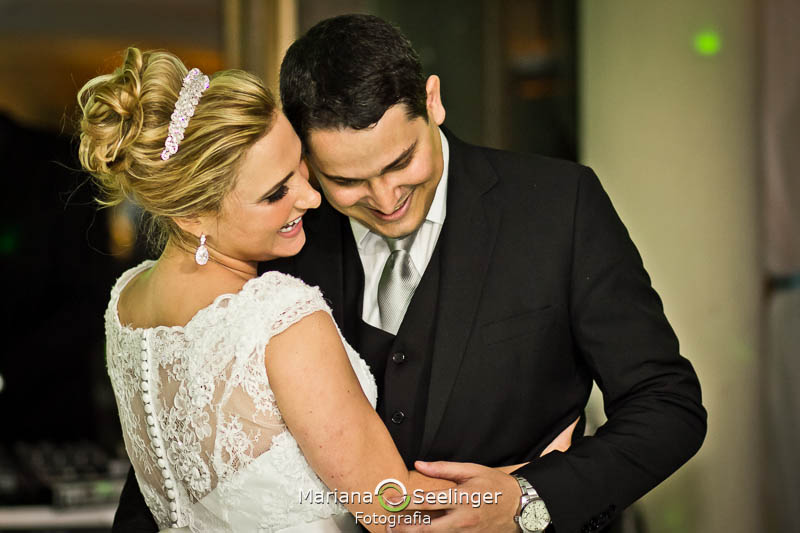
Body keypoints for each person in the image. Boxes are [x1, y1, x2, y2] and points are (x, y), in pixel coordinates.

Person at [114, 14, 707, 533]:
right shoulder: (280, 237)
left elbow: (667, 404)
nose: (385, 198)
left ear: (433, 101)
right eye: (345, 180)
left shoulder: (558, 206)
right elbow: (183, 460)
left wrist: (530, 499)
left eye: (401, 161)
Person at [82, 47, 541, 533]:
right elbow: (396, 514)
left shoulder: (127, 301)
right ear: (192, 216)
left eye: (300, 166)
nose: (311, 197)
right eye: (275, 193)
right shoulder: (279, 319)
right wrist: (527, 484)